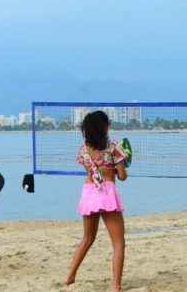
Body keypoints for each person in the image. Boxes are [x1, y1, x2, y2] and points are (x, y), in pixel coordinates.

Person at [65, 111, 129, 292]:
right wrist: (122, 166)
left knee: (87, 238)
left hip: (89, 192)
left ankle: (70, 276)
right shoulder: (113, 147)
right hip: (107, 192)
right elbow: (123, 176)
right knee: (118, 243)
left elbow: (90, 169)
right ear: (105, 127)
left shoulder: (84, 149)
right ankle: (116, 286)